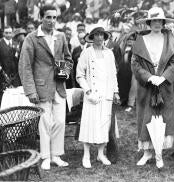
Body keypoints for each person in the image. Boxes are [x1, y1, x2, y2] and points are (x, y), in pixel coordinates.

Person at [19, 5, 73, 170]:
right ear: (41, 18)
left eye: (54, 18)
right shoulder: (32, 38)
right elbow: (25, 66)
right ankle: (45, 157)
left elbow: (68, 59)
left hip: (59, 86)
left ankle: (56, 155)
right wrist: (30, 91)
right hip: (41, 88)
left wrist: (63, 73)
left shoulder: (61, 36)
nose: (51, 21)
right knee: (44, 123)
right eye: (48, 17)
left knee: (60, 122)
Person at [131, 7, 174, 169]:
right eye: (154, 21)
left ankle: (159, 154)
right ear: (149, 23)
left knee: (162, 119)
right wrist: (150, 77)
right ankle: (147, 153)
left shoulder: (170, 39)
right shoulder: (141, 40)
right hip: (147, 87)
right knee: (147, 118)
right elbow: (135, 64)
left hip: (164, 86)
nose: (157, 23)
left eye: (160, 21)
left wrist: (163, 77)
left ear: (163, 23)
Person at [76, 27, 120, 168]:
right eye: (97, 35)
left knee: (104, 125)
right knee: (90, 124)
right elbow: (80, 75)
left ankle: (101, 154)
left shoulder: (109, 54)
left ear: (105, 37)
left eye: (102, 35)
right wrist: (88, 91)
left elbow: (113, 75)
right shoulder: (87, 53)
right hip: (92, 95)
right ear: (92, 37)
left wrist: (115, 92)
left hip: (106, 94)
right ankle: (86, 155)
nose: (100, 37)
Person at [0, 26, 21, 105]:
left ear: (12, 33)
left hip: (15, 76)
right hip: (2, 76)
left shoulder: (16, 44)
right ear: (3, 33)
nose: (8, 35)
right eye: (6, 33)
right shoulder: (0, 43)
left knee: (15, 98)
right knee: (3, 98)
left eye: (10, 33)